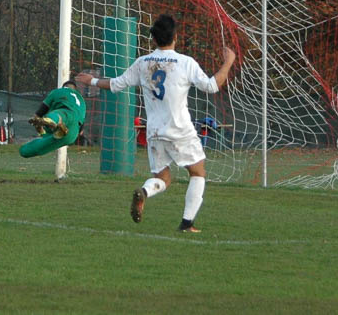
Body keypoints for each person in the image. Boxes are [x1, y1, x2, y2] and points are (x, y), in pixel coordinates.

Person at [76, 14, 235, 233]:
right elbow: (211, 86)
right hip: (180, 130)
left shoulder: (143, 63)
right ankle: (187, 223)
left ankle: (145, 191)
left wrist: (92, 80)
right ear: (175, 37)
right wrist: (228, 62)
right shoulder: (185, 62)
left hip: (154, 132)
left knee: (162, 178)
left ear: (153, 39)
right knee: (198, 172)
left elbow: (116, 84)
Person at [20, 80, 86, 158]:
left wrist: (36, 118)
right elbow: (81, 130)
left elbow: (41, 110)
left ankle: (51, 124)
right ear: (75, 89)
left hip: (65, 113)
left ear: (63, 87)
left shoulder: (58, 91)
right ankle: (57, 129)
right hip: (73, 132)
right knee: (27, 150)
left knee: (57, 115)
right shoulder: (82, 100)